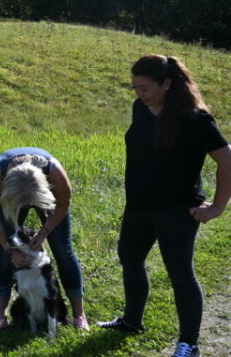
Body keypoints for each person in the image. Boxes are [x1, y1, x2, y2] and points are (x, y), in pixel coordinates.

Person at [98, 55, 231, 357]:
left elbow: (227, 160)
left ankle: (189, 343)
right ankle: (132, 321)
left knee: (180, 273)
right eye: (134, 87)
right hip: (139, 205)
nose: (138, 94)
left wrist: (217, 207)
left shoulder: (194, 119)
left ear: (167, 83)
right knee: (130, 259)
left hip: (177, 208)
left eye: (144, 88)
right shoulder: (140, 109)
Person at [0, 147, 88, 331]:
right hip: (12, 196)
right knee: (4, 256)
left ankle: (80, 315)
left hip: (46, 195)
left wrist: (44, 233)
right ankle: (0, 316)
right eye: (25, 204)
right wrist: (9, 249)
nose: (28, 206)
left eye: (31, 203)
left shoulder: (54, 172)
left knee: (63, 250)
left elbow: (64, 203)